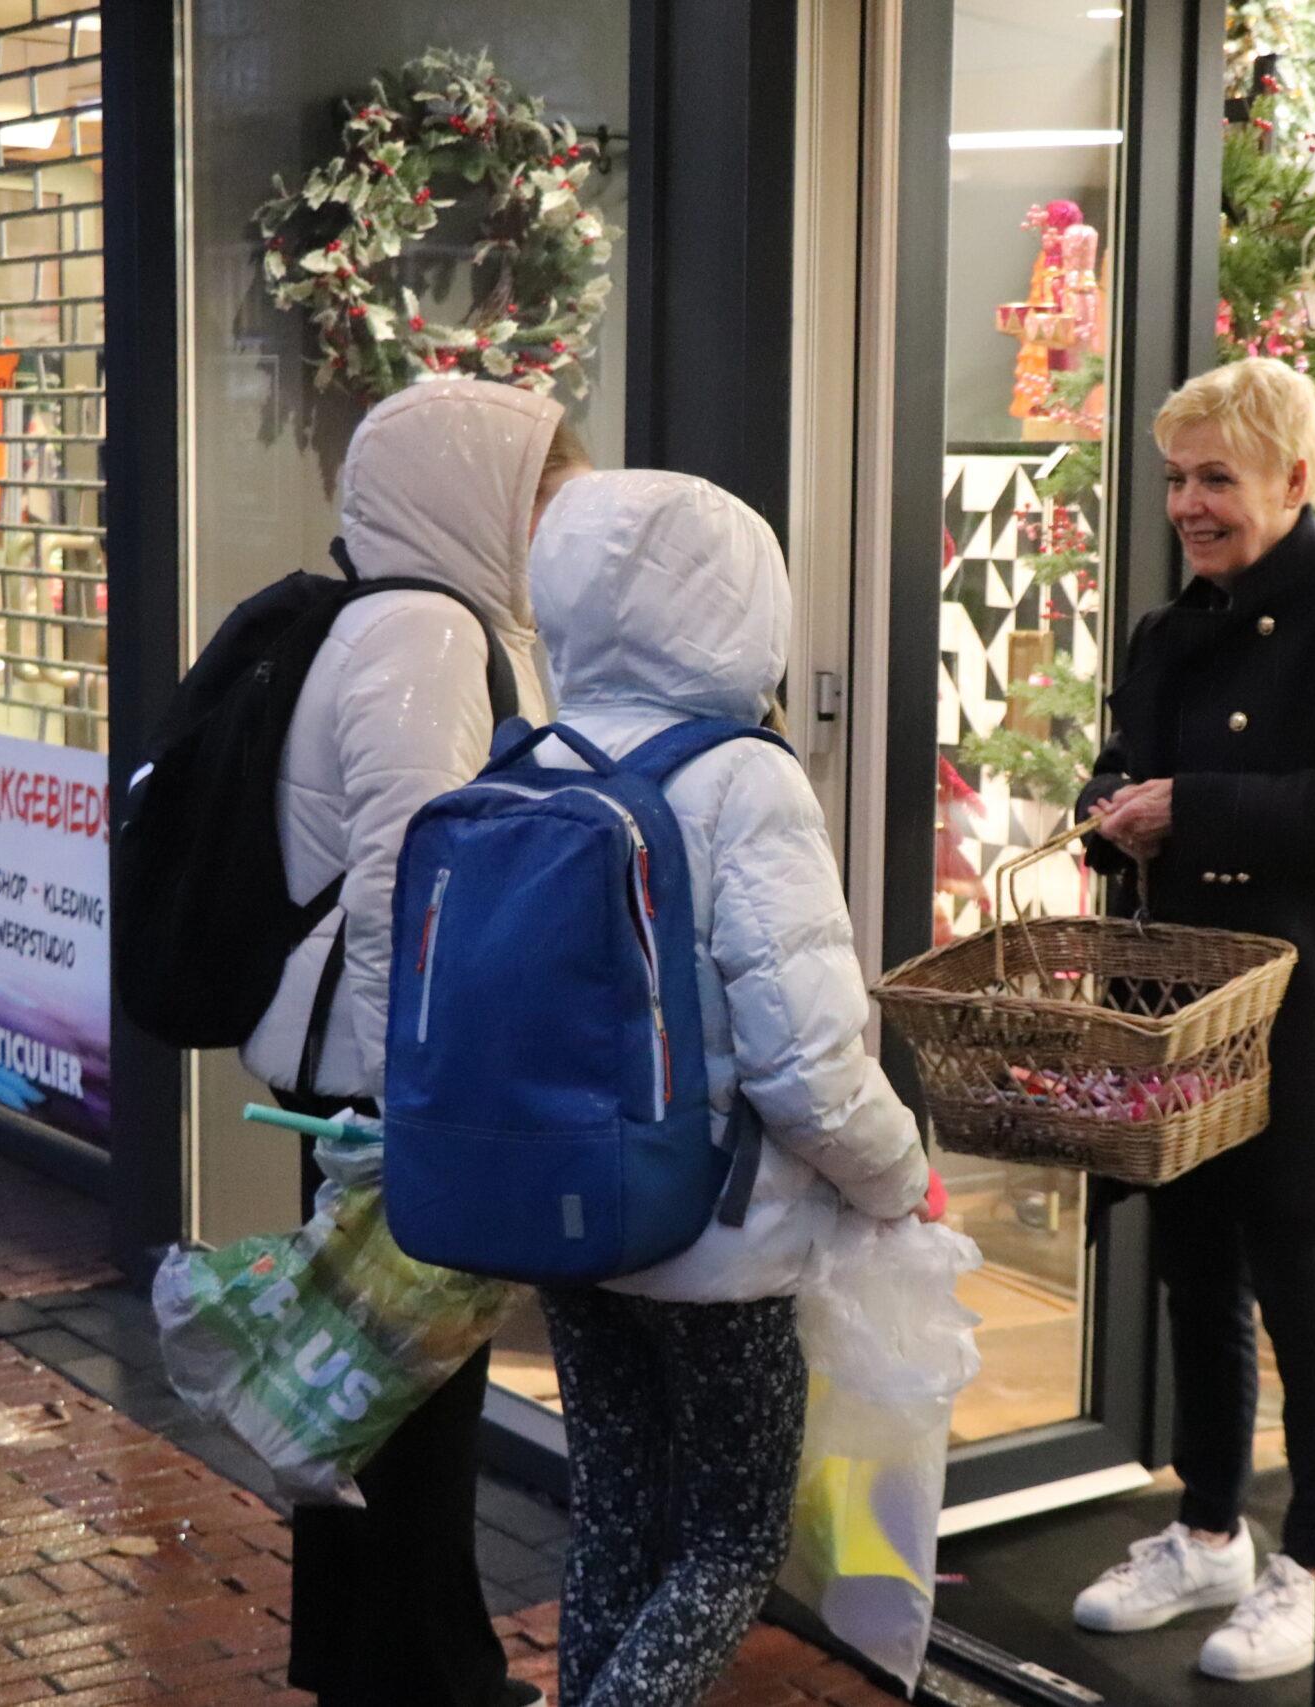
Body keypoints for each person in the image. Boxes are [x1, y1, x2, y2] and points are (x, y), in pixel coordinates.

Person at [521, 469, 942, 1707]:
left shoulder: (538, 755)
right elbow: (806, 1066)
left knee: (616, 1514)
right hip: (719, 1239)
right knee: (728, 1541)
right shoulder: (744, 779)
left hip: (565, 1211)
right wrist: (901, 1180)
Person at [239, 380, 591, 1707]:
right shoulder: (429, 635)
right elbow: (409, 882)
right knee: (410, 1401)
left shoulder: (393, 617)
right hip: (387, 1076)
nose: (554, 537)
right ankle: (428, 1678)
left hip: (362, 1066)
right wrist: (417, 1101)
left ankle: (368, 1664)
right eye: (541, 505)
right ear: (474, 503)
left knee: (365, 1387)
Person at [1069, 358, 1315, 1684]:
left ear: (1295, 477)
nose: (1187, 503)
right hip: (1172, 1006)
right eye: (1177, 478)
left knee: (1300, 1284)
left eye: (1216, 478)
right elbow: (1117, 768)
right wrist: (1107, 809)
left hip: (1298, 1001)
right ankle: (1207, 1529)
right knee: (1193, 1267)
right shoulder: (1166, 628)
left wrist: (1196, 806)